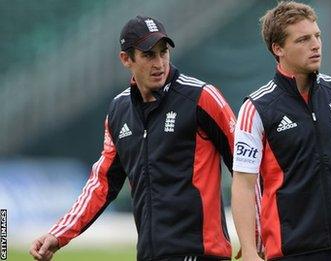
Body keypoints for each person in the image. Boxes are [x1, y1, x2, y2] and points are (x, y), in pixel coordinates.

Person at [30, 15, 236, 261]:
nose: (159, 63)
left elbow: (247, 166)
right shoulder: (119, 110)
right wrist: (59, 234)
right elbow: (102, 183)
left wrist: (258, 231)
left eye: (164, 52)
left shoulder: (202, 97)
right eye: (149, 55)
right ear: (126, 59)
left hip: (200, 254)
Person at [231, 2, 331, 261]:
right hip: (291, 252)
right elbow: (243, 185)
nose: (315, 45)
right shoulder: (257, 108)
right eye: (303, 39)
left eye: (317, 36)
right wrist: (250, 252)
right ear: (278, 49)